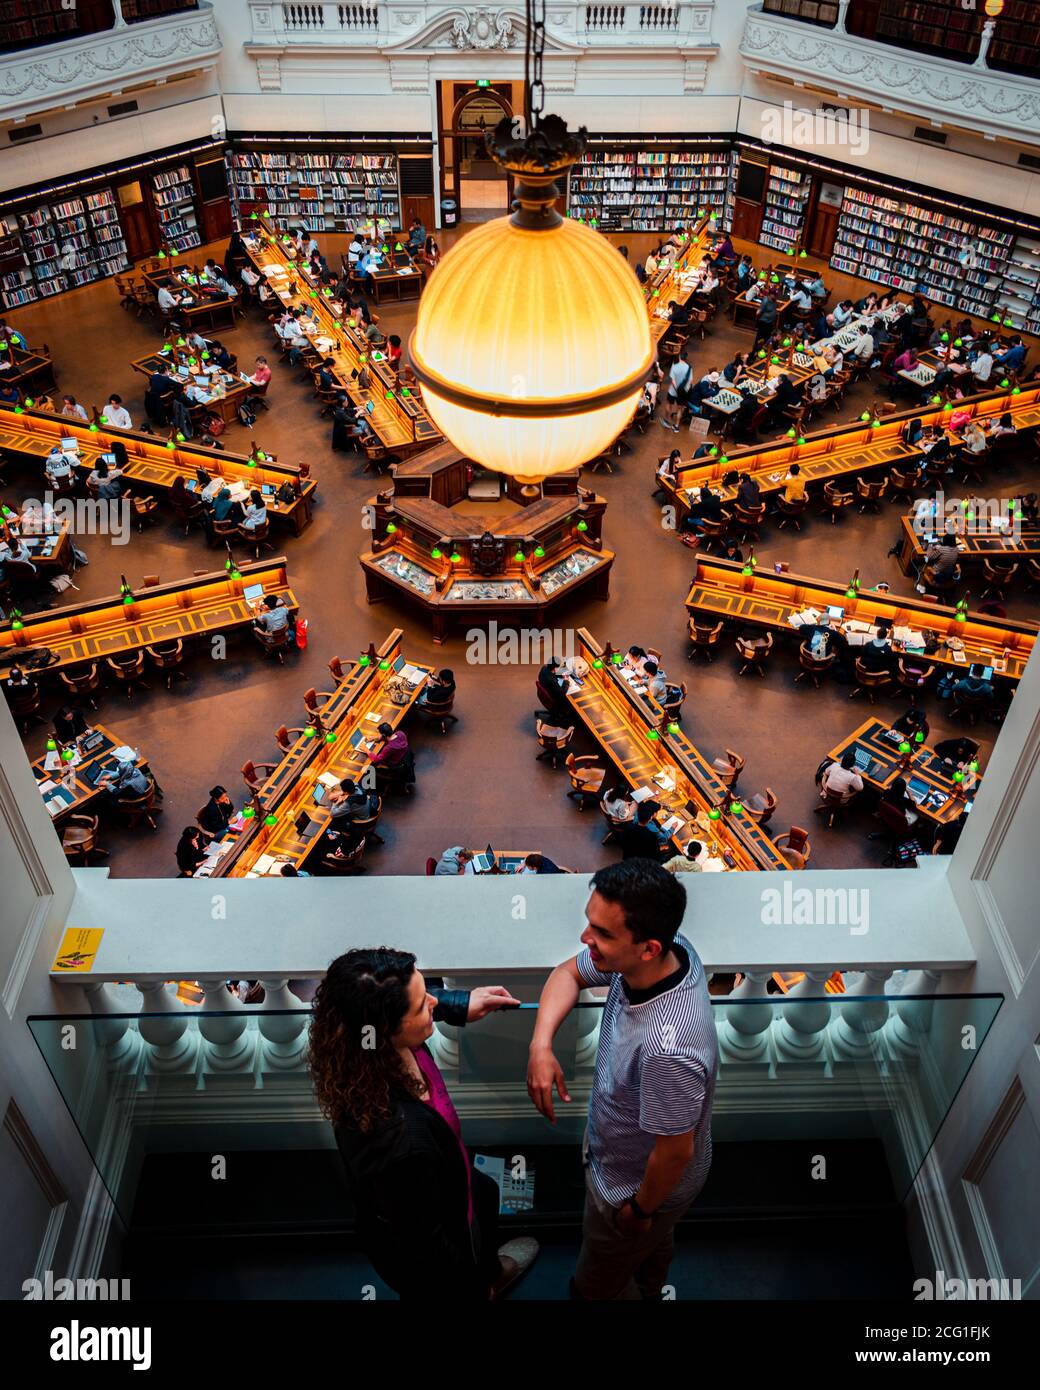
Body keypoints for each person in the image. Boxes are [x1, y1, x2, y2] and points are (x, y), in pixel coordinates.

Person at [527, 860, 717, 1301]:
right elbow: (568, 973)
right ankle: (650, 1283)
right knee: (652, 1247)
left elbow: (673, 1153)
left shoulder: (669, 1050)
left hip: (631, 1187)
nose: (585, 939)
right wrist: (541, 1045)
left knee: (597, 1285)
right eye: (590, 923)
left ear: (648, 948)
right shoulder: (671, 951)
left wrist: (637, 1209)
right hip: (643, 1176)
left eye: (602, 934)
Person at [313, 948, 533, 1300]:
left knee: (485, 1192)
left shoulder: (376, 1047)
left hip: (450, 1181)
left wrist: (459, 1002)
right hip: (440, 1252)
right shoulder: (397, 1143)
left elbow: (402, 997)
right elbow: (427, 1249)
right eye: (422, 1005)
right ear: (387, 1027)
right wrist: (471, 1290)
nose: (433, 1001)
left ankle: (490, 1270)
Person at [664, 352, 693, 431]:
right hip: (682, 393)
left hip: (673, 391)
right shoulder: (689, 368)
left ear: (680, 357)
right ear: (686, 358)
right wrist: (684, 391)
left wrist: (676, 389)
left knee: (669, 404)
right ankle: (676, 426)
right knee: (679, 409)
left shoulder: (674, 366)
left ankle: (667, 421)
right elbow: (690, 381)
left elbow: (673, 380)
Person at [537, 656, 571, 723]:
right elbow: (562, 691)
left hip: (546, 689)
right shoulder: (552, 681)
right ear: (555, 668)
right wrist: (566, 681)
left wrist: (560, 675)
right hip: (554, 697)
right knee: (569, 699)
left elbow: (552, 674)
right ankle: (565, 714)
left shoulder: (544, 668)